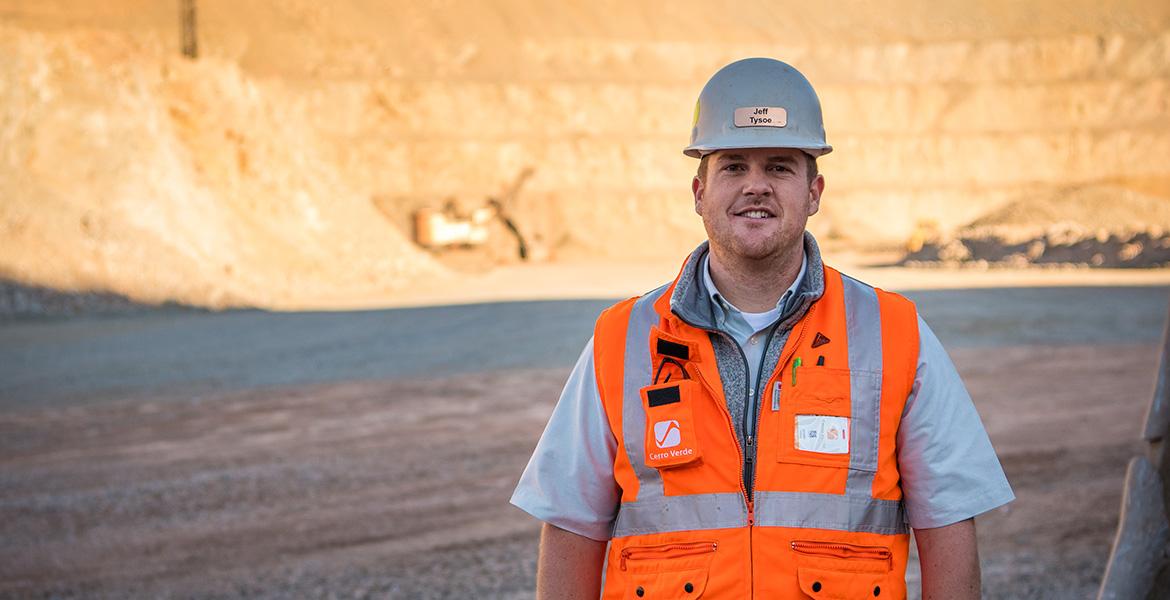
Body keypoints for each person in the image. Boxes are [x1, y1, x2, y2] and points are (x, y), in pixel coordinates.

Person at [511, 57, 1014, 599]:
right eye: (733, 166)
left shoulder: (894, 334)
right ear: (700, 191)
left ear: (814, 192)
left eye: (778, 167)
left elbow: (950, 518)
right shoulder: (622, 339)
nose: (756, 186)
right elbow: (569, 523)